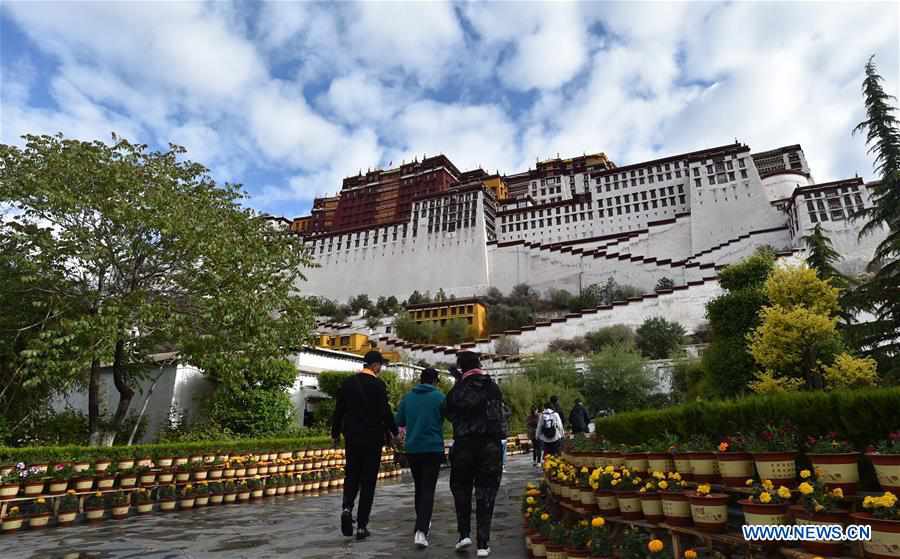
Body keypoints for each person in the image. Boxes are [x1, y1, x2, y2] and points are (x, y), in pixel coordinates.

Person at [444, 351, 506, 558]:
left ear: (461, 367)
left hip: (463, 445)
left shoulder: (458, 389)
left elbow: (447, 411)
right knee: (486, 493)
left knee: (461, 489)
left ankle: (463, 534)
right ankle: (483, 543)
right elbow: (499, 416)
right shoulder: (493, 387)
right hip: (489, 446)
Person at [331, 350, 399, 540]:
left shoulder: (348, 383)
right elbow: (385, 412)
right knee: (368, 481)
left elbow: (339, 411)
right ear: (375, 365)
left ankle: (346, 507)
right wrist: (394, 432)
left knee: (351, 474)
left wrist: (335, 434)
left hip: (352, 437)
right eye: (381, 366)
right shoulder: (378, 385)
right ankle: (361, 526)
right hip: (372, 439)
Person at [394, 368, 445, 549]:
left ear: (420, 380)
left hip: (413, 450)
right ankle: (421, 530)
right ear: (435, 381)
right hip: (433, 448)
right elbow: (450, 417)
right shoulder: (439, 397)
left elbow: (398, 421)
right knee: (428, 489)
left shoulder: (408, 398)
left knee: (419, 487)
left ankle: (422, 522)